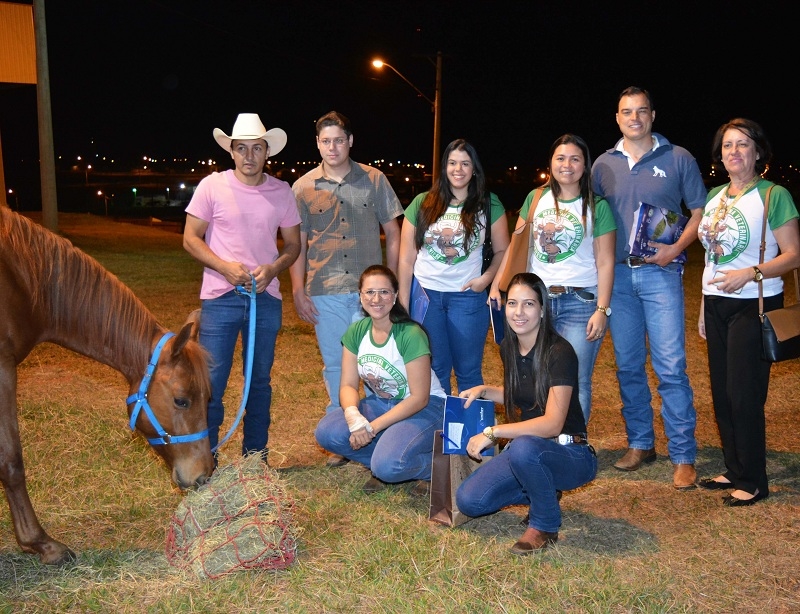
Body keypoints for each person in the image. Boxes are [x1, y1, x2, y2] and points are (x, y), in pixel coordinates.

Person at [591, 86, 706, 490]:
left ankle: (683, 455)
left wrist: (675, 247)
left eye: (642, 111)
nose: (634, 117)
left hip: (662, 274)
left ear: (653, 115)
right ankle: (641, 443)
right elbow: (587, 215)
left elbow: (700, 211)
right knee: (627, 366)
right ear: (617, 118)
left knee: (671, 366)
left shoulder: (678, 158)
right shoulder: (603, 165)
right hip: (619, 278)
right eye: (626, 112)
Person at [183, 113, 301, 461]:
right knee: (213, 382)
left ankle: (255, 457)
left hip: (265, 299)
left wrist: (273, 268)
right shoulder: (212, 186)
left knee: (259, 382)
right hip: (220, 298)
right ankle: (208, 457)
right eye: (241, 148)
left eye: (257, 148)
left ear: (267, 152)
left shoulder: (281, 192)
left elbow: (293, 246)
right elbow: (191, 239)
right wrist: (223, 267)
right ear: (231, 151)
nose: (249, 155)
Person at [290, 111, 403, 468]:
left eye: (339, 140)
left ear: (350, 141)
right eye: (326, 141)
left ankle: (383, 431)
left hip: (370, 294)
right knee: (337, 367)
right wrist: (297, 290)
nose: (333, 147)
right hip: (324, 290)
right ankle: (343, 436)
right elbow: (297, 245)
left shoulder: (374, 179)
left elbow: (395, 232)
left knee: (379, 364)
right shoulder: (303, 187)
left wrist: (393, 282)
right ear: (317, 144)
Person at [456, 273, 597, 554]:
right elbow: (524, 394)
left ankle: (544, 524)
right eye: (512, 304)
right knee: (470, 501)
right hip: (531, 453)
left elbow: (552, 424)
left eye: (529, 304)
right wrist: (485, 390)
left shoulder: (560, 352)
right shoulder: (509, 347)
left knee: (521, 447)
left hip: (571, 454)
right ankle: (543, 489)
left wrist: (493, 433)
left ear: (543, 309)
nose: (519, 312)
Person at [697, 118, 799, 506]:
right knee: (722, 394)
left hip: (754, 304)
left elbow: (793, 255)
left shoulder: (774, 195)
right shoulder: (716, 196)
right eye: (727, 145)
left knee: (744, 394)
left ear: (758, 152)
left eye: (742, 144)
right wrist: (704, 307)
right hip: (717, 302)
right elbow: (710, 257)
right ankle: (735, 468)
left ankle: (755, 479)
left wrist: (750, 273)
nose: (734, 152)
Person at [490, 134, 615, 423]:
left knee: (575, 378)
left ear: (585, 165)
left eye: (575, 158)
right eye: (560, 158)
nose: (567, 164)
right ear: (551, 163)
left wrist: (602, 308)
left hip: (580, 303)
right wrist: (499, 284)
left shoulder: (597, 206)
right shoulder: (536, 198)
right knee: (533, 372)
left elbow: (606, 261)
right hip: (538, 301)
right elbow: (516, 244)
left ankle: (573, 446)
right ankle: (537, 435)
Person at [314, 265, 447, 493]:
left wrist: (371, 427)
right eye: (369, 292)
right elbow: (347, 384)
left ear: (395, 296)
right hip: (383, 404)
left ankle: (437, 467)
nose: (377, 299)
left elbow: (419, 398)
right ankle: (381, 461)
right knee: (327, 432)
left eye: (384, 292)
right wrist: (354, 417)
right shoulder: (357, 331)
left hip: (426, 408)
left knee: (389, 465)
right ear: (360, 296)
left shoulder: (410, 334)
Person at [398, 138, 510, 394]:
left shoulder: (488, 204)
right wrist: (403, 302)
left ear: (474, 169)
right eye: (452, 163)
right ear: (444, 167)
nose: (458, 169)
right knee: (435, 370)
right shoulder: (422, 203)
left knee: (468, 371)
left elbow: (504, 250)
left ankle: (472, 432)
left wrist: (487, 280)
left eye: (465, 163)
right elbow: (406, 259)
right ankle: (440, 430)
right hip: (426, 297)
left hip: (468, 298)